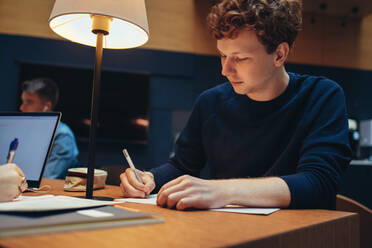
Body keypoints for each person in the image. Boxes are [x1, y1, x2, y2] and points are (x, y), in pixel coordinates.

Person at [120, 0, 351, 210]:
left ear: (279, 54)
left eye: (240, 58)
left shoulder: (321, 96)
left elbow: (319, 184)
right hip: (230, 231)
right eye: (223, 56)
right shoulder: (210, 102)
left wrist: (220, 190)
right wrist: (150, 179)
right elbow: (182, 165)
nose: (225, 70)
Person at [20, 78, 79, 179]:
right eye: (22, 101)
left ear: (46, 106)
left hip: (48, 192)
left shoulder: (62, 136)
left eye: (29, 102)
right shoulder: (26, 132)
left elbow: (46, 178)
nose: (22, 108)